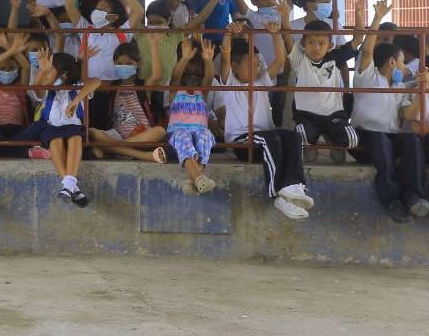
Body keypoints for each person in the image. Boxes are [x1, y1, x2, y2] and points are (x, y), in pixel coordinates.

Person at [218, 17, 314, 219]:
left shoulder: (261, 80)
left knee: (292, 136)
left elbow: (280, 60)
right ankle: (277, 191)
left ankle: (295, 187)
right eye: (251, 64)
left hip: (265, 139)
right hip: (242, 142)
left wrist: (275, 36)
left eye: (258, 63)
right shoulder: (230, 82)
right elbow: (225, 54)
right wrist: (228, 34)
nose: (257, 67)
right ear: (235, 67)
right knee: (270, 138)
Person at [352, 1, 429, 223]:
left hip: (388, 138)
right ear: (393, 62)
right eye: (404, 63)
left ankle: (415, 196)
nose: (406, 69)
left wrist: (423, 84)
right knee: (381, 140)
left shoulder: (399, 87)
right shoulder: (367, 77)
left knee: (413, 141)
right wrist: (377, 19)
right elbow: (367, 50)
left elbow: (412, 98)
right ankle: (391, 201)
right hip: (365, 139)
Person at [28, 50, 100, 207]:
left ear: (64, 75)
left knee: (75, 137)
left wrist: (75, 102)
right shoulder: (47, 91)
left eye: (50, 72)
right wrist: (43, 71)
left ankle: (69, 186)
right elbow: (37, 89)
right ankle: (71, 186)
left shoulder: (76, 89)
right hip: (52, 128)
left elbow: (95, 82)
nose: (46, 77)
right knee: (55, 140)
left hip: (73, 127)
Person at [288, 18, 363, 161]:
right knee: (303, 143)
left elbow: (358, 39)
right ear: (303, 43)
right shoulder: (299, 58)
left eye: (322, 43)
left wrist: (358, 14)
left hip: (333, 114)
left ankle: (331, 137)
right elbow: (286, 37)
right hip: (306, 114)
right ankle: (312, 143)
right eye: (311, 43)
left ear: (330, 45)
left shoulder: (335, 57)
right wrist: (285, 17)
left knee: (352, 140)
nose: (316, 48)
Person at [87, 38, 168, 163]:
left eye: (128, 63)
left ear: (137, 64)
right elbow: (88, 83)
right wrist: (84, 61)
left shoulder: (142, 86)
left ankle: (116, 148)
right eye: (119, 63)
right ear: (114, 64)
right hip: (116, 134)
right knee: (92, 132)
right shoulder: (112, 86)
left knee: (160, 131)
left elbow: (157, 75)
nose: (123, 66)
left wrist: (154, 45)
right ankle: (142, 155)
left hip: (141, 135)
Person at [168, 37, 218, 196]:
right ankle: (198, 177)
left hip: (199, 132)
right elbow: (175, 76)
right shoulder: (175, 91)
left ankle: (195, 179)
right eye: (188, 72)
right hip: (177, 133)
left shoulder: (201, 93)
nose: (193, 76)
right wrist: (184, 59)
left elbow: (209, 80)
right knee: (183, 137)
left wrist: (208, 61)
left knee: (207, 135)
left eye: (197, 74)